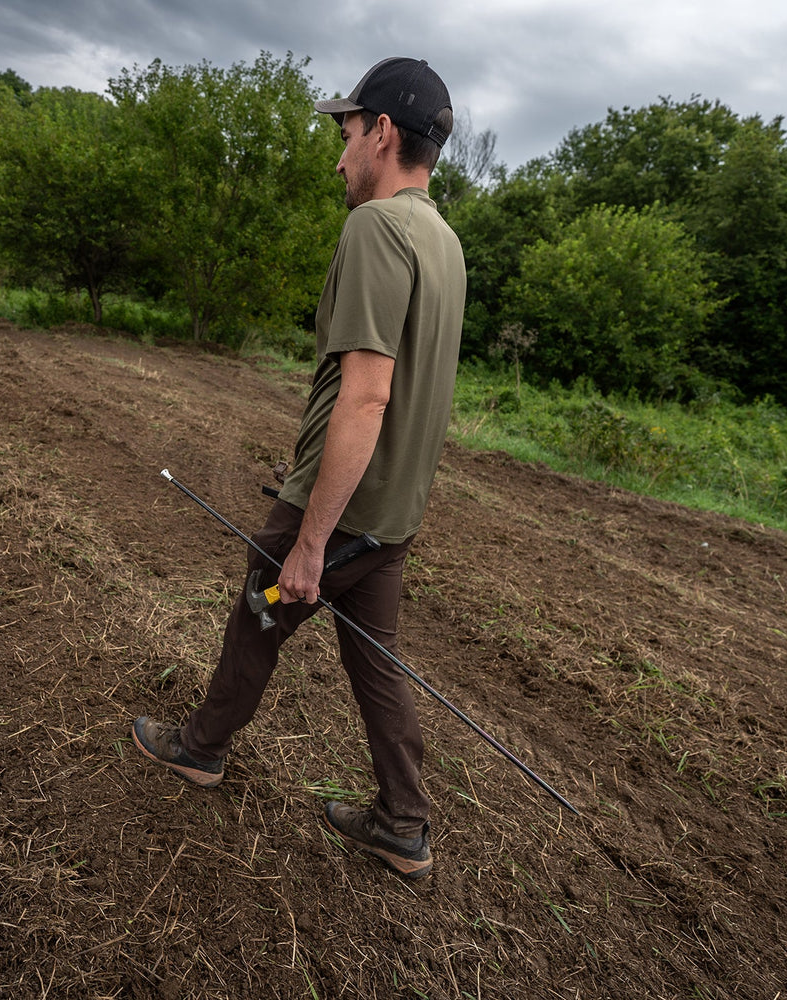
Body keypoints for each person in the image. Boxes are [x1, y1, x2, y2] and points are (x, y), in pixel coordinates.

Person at [133, 57, 466, 880]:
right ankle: (403, 822)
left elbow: (367, 396)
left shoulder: (376, 229)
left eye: (347, 133)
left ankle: (200, 748)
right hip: (393, 515)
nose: (339, 155)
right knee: (376, 662)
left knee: (260, 610)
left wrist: (312, 537)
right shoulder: (446, 241)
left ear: (382, 132)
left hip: (343, 512)